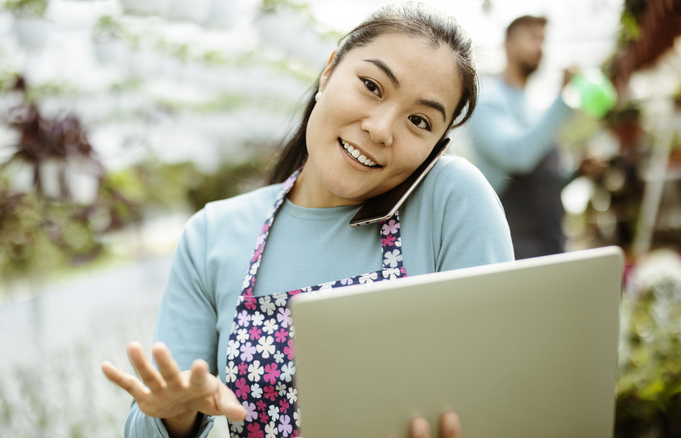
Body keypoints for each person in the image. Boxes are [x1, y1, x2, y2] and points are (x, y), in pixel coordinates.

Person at [101, 3, 514, 437]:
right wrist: (175, 416)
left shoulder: (451, 202)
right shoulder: (212, 235)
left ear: (437, 145)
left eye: (419, 121)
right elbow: (151, 420)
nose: (380, 129)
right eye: (372, 86)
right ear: (329, 71)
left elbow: (502, 394)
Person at [466, 15, 574, 260]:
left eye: (543, 40)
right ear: (509, 45)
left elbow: (544, 182)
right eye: (533, 38)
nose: (540, 47)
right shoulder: (486, 101)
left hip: (550, 241)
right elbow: (518, 156)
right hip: (515, 244)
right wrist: (564, 98)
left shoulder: (533, 108)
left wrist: (577, 172)